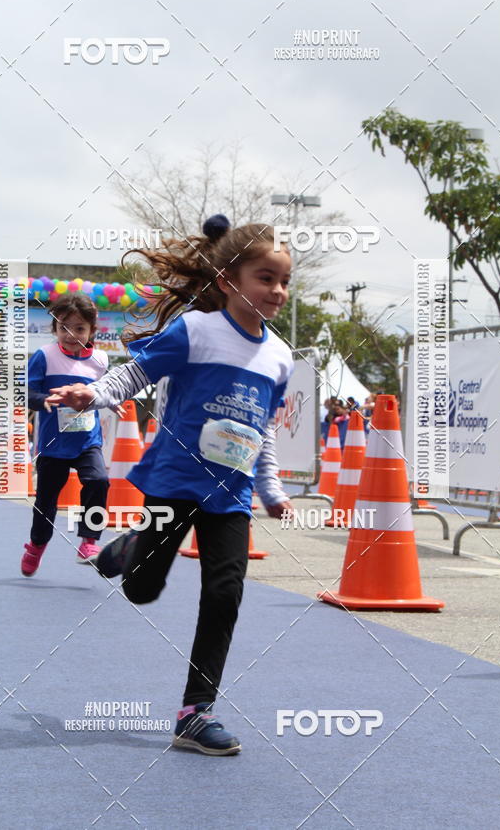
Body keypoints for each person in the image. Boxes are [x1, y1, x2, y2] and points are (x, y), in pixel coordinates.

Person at [48, 216, 294, 756]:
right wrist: (93, 396)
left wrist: (271, 488)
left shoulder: (280, 357)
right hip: (175, 482)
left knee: (225, 591)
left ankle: (194, 712)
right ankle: (131, 547)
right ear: (229, 280)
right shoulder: (198, 332)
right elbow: (135, 373)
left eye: (283, 281)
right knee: (142, 589)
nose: (276, 291)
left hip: (230, 495)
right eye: (265, 277)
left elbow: (264, 428)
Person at [20, 293, 112, 576]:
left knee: (99, 481)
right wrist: (43, 400)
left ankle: (89, 541)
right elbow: (26, 392)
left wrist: (113, 401)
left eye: (80, 328)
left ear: (92, 331)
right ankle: (36, 546)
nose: (71, 335)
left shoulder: (100, 360)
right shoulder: (45, 356)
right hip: (52, 444)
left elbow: (105, 391)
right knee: (46, 502)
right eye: (64, 328)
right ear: (54, 329)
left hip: (87, 440)